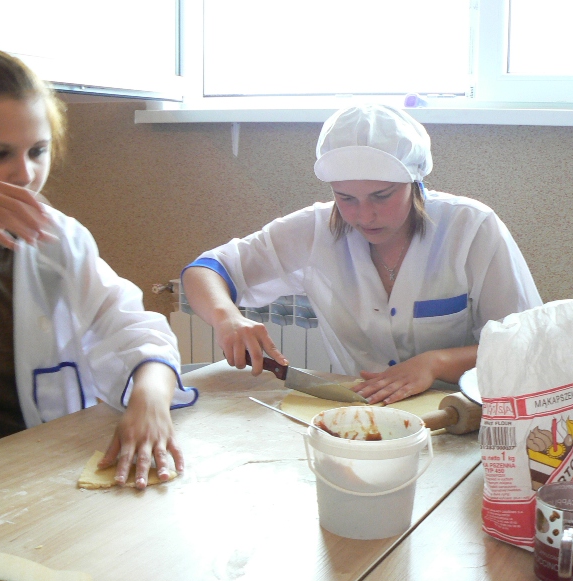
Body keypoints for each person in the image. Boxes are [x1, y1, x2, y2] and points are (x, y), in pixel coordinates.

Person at [182, 104, 542, 404]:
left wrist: (436, 363)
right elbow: (207, 269)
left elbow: (524, 342)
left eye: (381, 196)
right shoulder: (314, 230)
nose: (364, 216)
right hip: (360, 412)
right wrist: (226, 318)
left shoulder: (471, 228)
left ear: (414, 182)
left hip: (462, 409)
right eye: (346, 198)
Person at [0, 46, 197, 488]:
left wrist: (151, 396)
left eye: (37, 151)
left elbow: (128, 325)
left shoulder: (58, 241)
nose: (24, 174)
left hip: (31, 473)